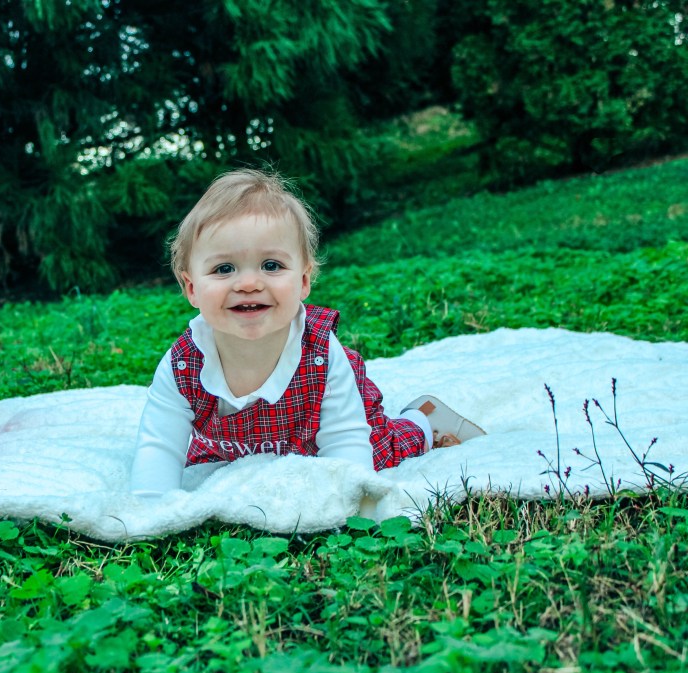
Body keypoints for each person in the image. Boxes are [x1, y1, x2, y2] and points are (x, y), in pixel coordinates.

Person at [130, 169, 485, 496]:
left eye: (271, 265)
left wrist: (349, 500)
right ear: (192, 288)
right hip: (235, 445)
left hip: (319, 430)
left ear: (303, 281)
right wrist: (152, 507)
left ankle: (422, 420)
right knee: (211, 469)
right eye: (224, 269)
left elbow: (346, 442)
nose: (249, 283)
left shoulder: (321, 353)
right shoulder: (183, 365)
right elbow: (160, 445)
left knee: (381, 451)